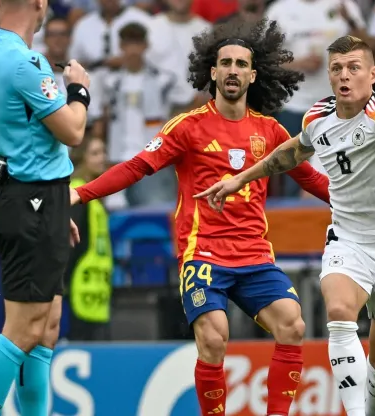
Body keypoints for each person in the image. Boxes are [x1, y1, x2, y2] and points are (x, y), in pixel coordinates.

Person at [71, 18, 330, 416]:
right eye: (225, 63)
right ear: (212, 72)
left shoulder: (271, 132)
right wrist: (82, 192)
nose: (232, 70)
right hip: (203, 252)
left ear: (252, 75)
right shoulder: (188, 127)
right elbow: (137, 166)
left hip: (254, 254)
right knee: (214, 337)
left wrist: (359, 205)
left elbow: (310, 178)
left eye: (241, 65)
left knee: (293, 325)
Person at [196, 35, 375, 416]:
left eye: (354, 68)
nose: (344, 76)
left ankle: (370, 408)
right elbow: (292, 151)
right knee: (339, 312)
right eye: (337, 68)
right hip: (348, 240)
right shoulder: (317, 117)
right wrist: (241, 179)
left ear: (373, 75)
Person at [0, 0, 91, 410]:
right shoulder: (24, 62)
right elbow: (73, 130)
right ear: (39, 4)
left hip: (39, 199)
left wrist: (57, 211)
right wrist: (79, 88)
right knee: (24, 330)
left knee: (46, 329)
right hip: (31, 199)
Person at [66, 136, 112, 341]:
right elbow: (71, 242)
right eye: (95, 153)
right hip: (78, 285)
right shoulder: (76, 192)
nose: (102, 158)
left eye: (103, 152)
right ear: (82, 157)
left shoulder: (96, 195)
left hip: (95, 288)